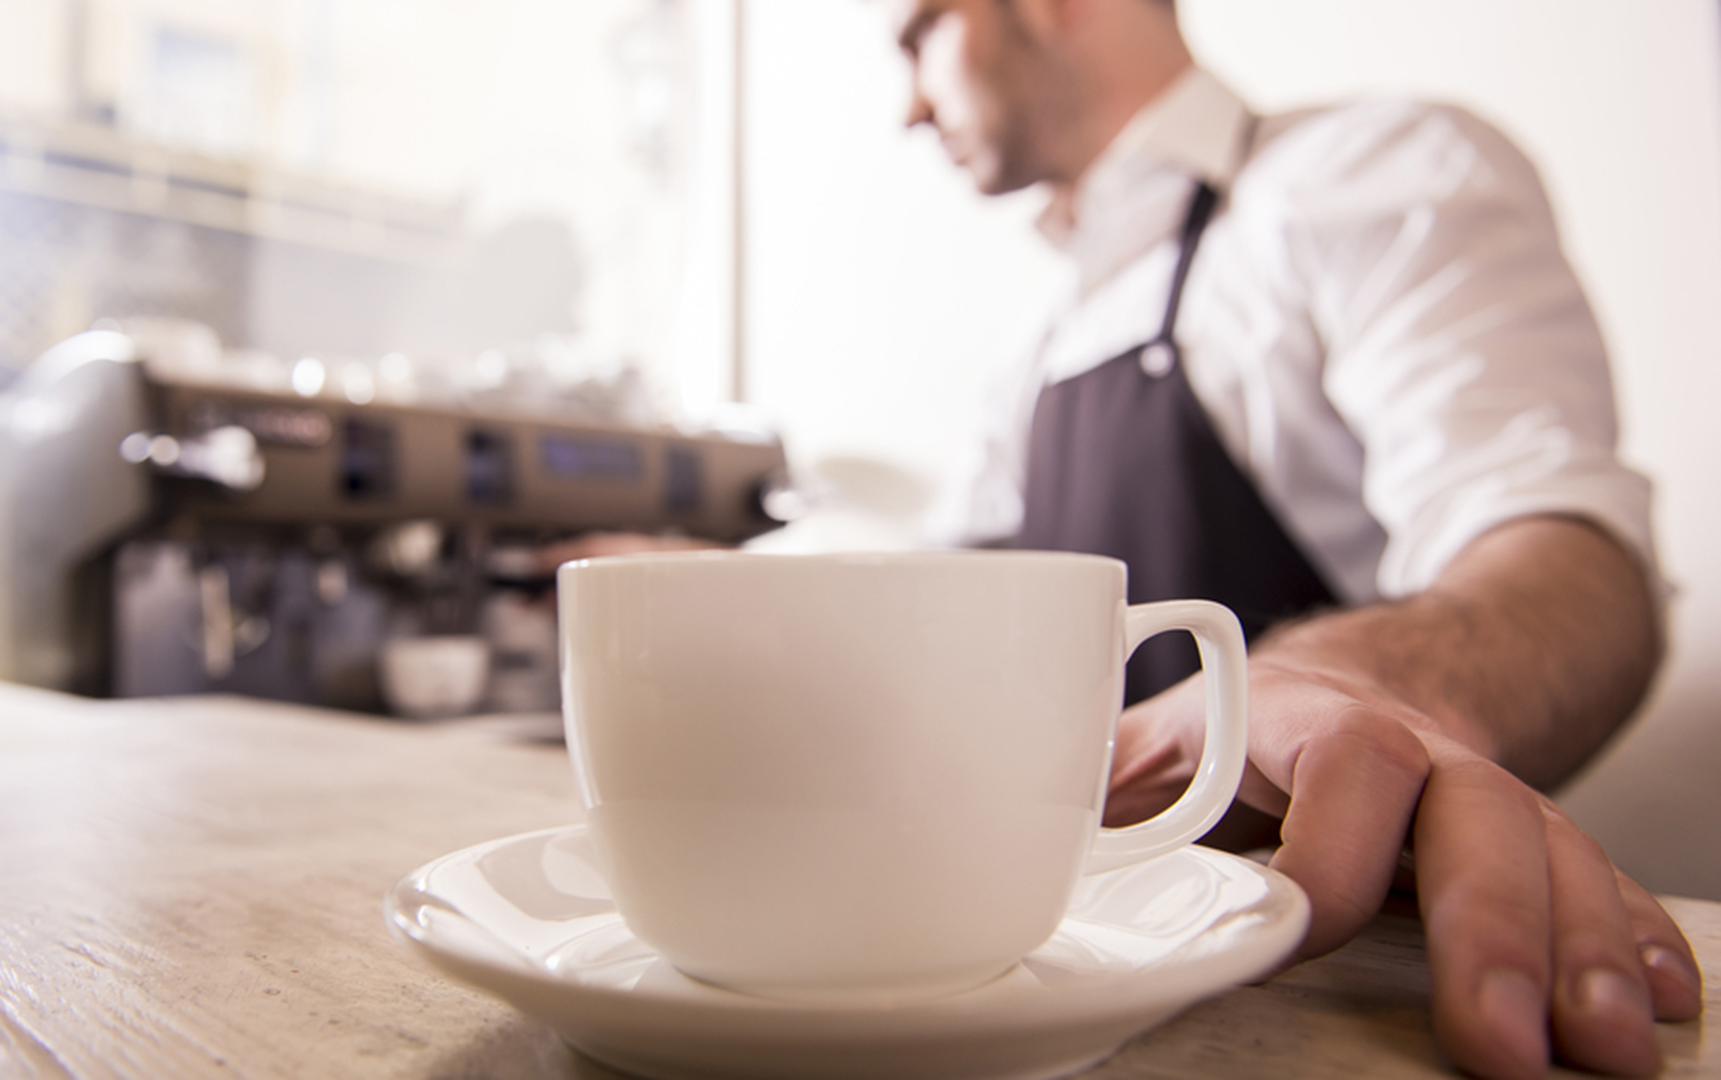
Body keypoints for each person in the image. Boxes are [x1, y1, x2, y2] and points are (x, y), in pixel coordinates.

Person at [545, 1, 1704, 1076]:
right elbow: (959, 605)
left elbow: (1565, 553)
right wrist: (726, 602)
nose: (904, 107)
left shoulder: (1370, 173)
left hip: (1320, 971)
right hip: (1061, 953)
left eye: (914, 35)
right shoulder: (1042, 339)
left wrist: (1334, 683)